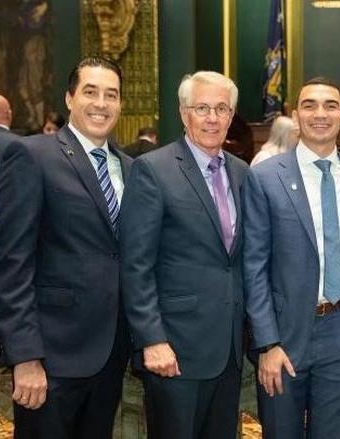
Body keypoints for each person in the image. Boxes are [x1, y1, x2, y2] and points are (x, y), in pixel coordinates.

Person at [0, 56, 131, 438]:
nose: (101, 103)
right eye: (90, 92)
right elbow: (11, 264)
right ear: (70, 99)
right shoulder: (33, 156)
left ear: (120, 104)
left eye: (111, 95)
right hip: (51, 359)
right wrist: (25, 357)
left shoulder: (131, 169)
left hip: (110, 356)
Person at [243, 77, 340, 438]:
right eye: (310, 105)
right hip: (284, 337)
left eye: (330, 105)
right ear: (294, 115)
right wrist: (267, 343)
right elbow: (253, 266)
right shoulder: (265, 177)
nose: (321, 113)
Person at [121, 71, 247, 438]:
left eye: (221, 108)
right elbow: (136, 264)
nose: (212, 117)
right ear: (183, 113)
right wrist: (152, 339)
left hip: (228, 351)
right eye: (202, 108)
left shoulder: (241, 173)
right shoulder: (153, 170)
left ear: (231, 115)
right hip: (174, 350)